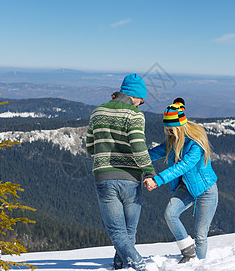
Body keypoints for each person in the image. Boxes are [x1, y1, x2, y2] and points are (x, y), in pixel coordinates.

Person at [86, 73, 155, 271]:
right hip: (131, 179)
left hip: (104, 177)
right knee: (128, 231)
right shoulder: (134, 115)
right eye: (141, 101)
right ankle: (140, 267)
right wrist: (149, 171)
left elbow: (90, 147)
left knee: (118, 233)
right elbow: (138, 146)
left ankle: (120, 267)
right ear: (134, 96)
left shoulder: (97, 112)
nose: (140, 105)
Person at [144, 98, 218, 263]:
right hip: (186, 188)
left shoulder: (196, 144)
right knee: (170, 214)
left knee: (200, 235)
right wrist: (135, 157)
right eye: (167, 130)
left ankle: (200, 264)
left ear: (180, 127)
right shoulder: (172, 140)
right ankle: (188, 251)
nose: (168, 133)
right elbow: (153, 153)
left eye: (171, 130)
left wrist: (157, 180)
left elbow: (184, 166)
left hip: (206, 191)